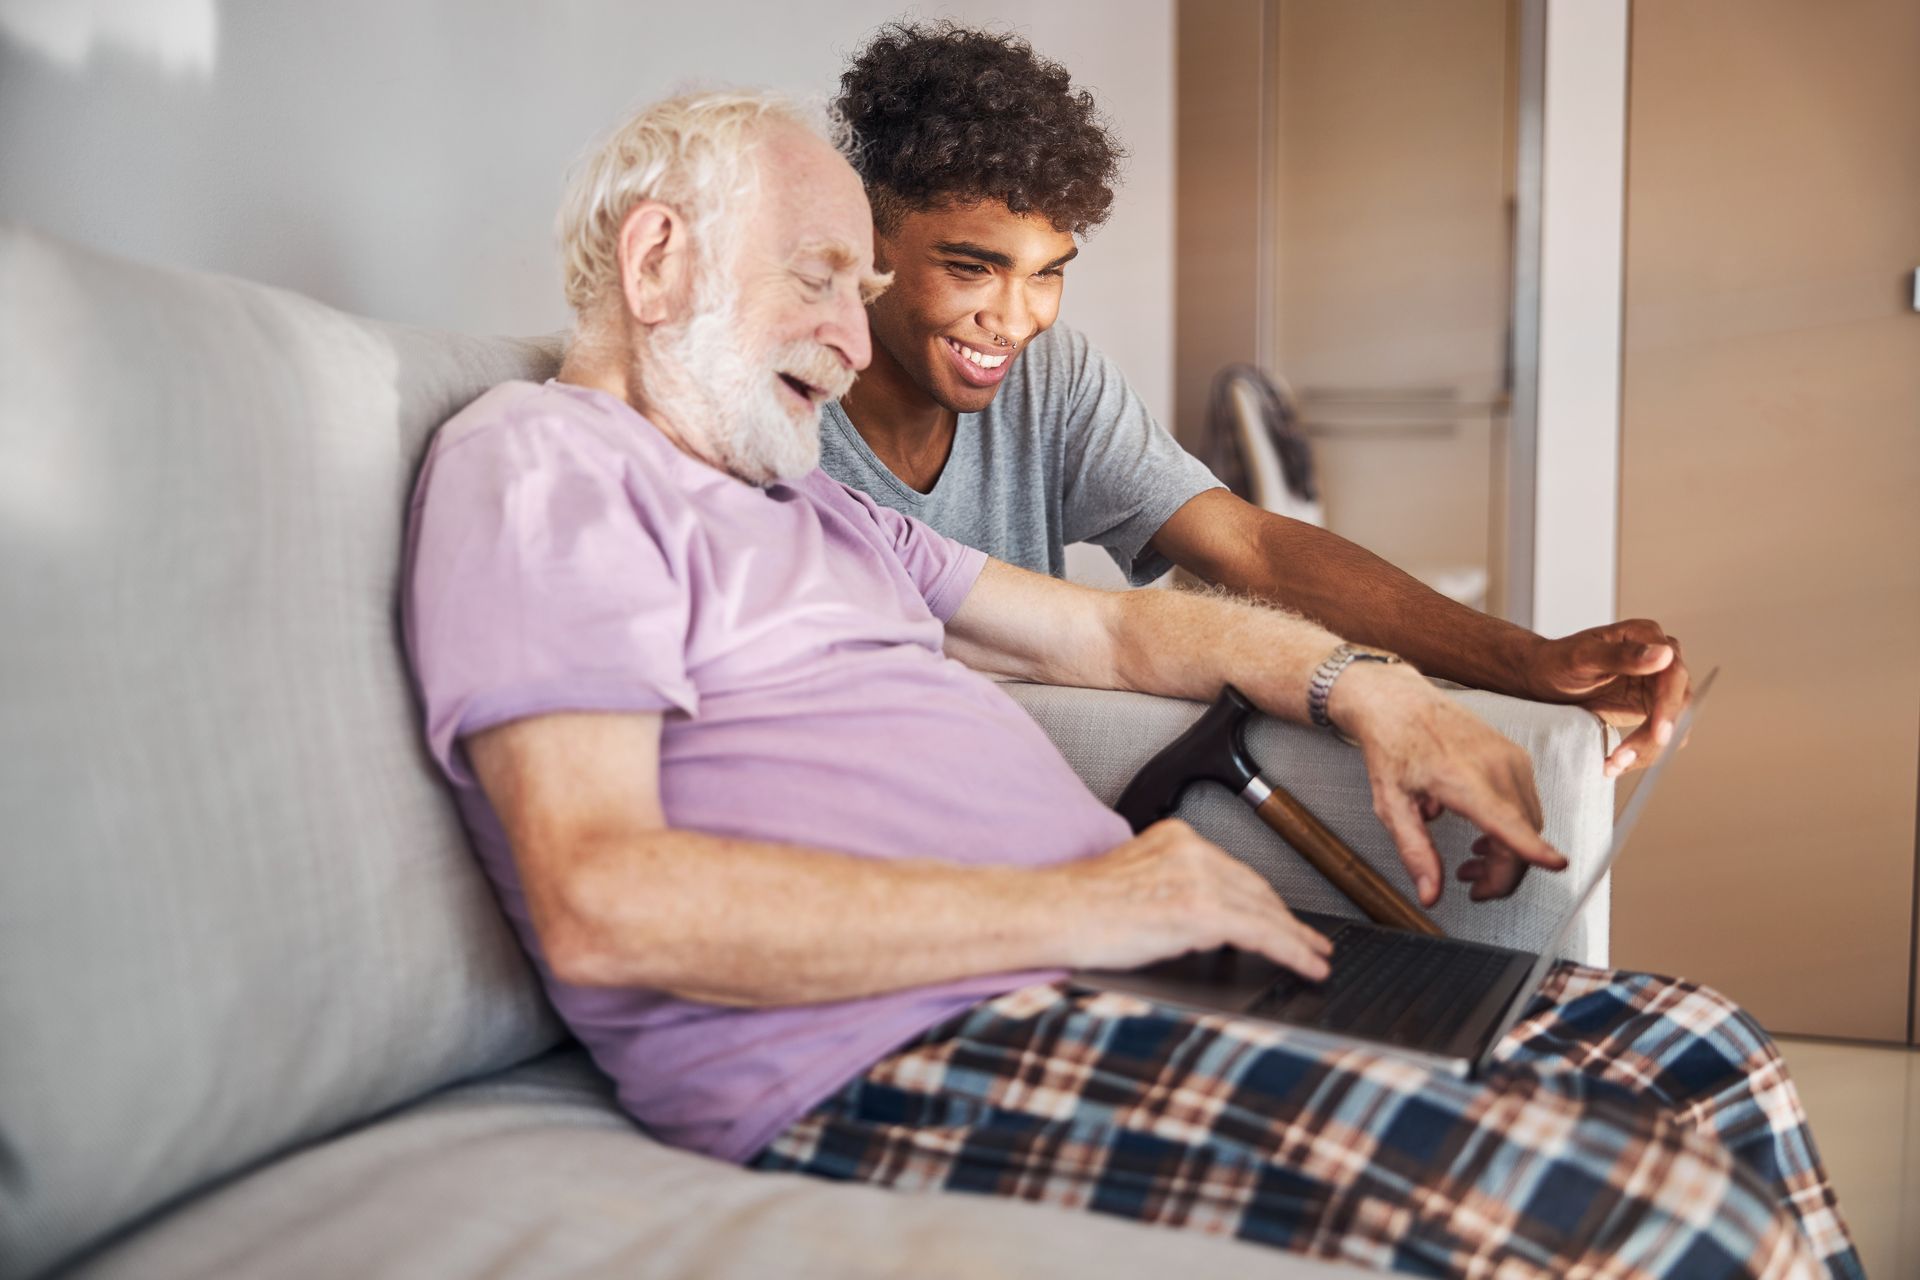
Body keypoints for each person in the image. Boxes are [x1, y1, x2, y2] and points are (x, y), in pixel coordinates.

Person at [402, 91, 1859, 1278]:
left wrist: (1380, 692)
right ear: (657, 262)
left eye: (861, 290)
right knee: (1666, 1218)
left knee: (1699, 1050)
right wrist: (1095, 903)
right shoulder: (549, 466)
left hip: (1122, 961)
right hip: (908, 1034)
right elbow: (602, 902)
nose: (854, 343)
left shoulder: (813, 508)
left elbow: (1118, 637)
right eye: (819, 281)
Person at [824, 22, 1687, 785]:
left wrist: (1524, 662)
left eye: (1048, 272)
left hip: (1019, 799)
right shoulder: (772, 418)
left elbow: (1250, 545)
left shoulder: (1054, 379)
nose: (1017, 321)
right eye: (973, 268)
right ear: (865, 237)